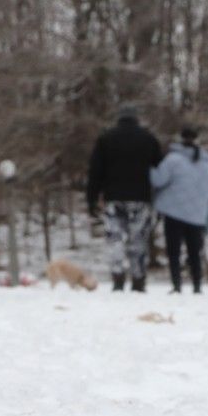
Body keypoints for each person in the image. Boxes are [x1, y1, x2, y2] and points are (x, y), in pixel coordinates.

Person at [86, 104, 163, 292]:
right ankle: (138, 278)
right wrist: (160, 200)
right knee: (138, 239)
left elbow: (95, 172)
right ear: (136, 119)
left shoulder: (105, 139)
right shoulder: (149, 139)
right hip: (140, 197)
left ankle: (118, 276)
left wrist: (92, 199)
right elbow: (160, 171)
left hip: (114, 197)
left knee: (115, 238)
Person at [150, 126, 208, 294]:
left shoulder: (173, 160)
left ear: (180, 139)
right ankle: (197, 286)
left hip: (173, 212)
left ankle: (177, 285)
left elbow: (157, 180)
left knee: (173, 251)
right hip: (197, 216)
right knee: (194, 252)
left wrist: (149, 166)